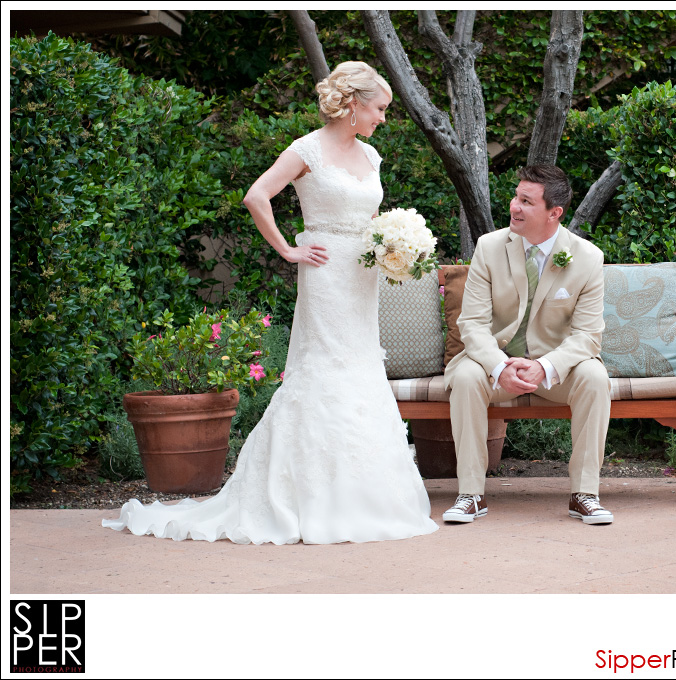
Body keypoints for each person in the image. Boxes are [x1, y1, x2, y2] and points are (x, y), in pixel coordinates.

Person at [103, 62, 439, 545]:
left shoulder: (372, 156)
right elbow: (257, 195)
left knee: (362, 369)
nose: (384, 118)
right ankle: (307, 497)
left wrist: (394, 247)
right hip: (323, 274)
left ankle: (363, 496)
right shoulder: (307, 150)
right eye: (380, 109)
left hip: (363, 278)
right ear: (352, 105)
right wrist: (288, 248)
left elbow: (368, 216)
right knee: (325, 369)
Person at [442, 165, 614, 525]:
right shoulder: (489, 247)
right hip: (494, 363)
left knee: (595, 377)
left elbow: (587, 335)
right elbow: (472, 324)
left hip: (552, 370)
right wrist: (499, 366)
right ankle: (470, 494)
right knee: (468, 377)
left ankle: (585, 494)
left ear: (555, 213)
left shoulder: (587, 257)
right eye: (515, 197)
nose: (513, 207)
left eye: (526, 201)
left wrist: (545, 366)